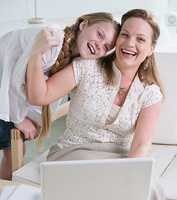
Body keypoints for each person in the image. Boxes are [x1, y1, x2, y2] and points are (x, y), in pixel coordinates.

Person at [0, 12, 119, 180]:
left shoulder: (77, 58)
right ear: (84, 24)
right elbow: (16, 78)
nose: (99, 44)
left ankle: (4, 191)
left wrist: (31, 118)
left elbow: (42, 88)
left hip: (7, 92)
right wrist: (20, 119)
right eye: (99, 34)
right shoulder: (53, 41)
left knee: (16, 151)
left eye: (107, 46)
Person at [26, 9, 165, 199]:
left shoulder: (151, 93)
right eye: (125, 34)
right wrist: (36, 53)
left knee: (151, 188)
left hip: (120, 158)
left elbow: (140, 147)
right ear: (117, 39)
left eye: (140, 39)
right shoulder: (86, 67)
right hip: (73, 152)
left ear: (150, 49)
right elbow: (39, 96)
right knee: (100, 183)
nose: (130, 43)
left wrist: (130, 177)